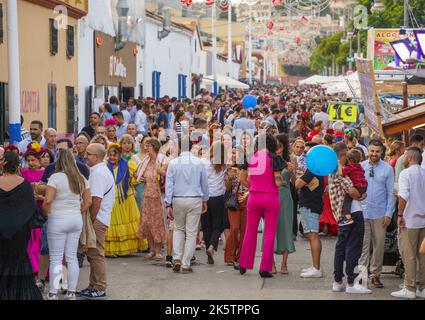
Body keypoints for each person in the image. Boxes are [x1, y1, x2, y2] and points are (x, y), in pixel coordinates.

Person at [42, 149, 92, 300]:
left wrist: (45, 212)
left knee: (56, 257)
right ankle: (71, 292)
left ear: (59, 161)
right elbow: (88, 201)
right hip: (75, 219)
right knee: (71, 257)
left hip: (57, 219)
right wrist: (77, 210)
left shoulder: (55, 177)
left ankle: (53, 293)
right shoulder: (81, 177)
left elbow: (48, 200)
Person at [238, 133, 284, 278]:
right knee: (269, 233)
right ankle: (265, 268)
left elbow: (242, 178)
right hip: (271, 197)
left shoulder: (250, 156)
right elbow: (278, 182)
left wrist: (253, 186)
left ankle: (244, 263)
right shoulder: (275, 159)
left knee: (250, 230)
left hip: (254, 196)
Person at [0, 150, 43, 300]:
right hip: (20, 230)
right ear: (17, 165)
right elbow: (31, 208)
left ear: (3, 164)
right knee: (19, 259)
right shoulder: (24, 184)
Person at [329, 142, 370, 294]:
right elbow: (353, 191)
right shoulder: (339, 170)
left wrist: (360, 194)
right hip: (352, 212)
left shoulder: (333, 169)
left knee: (341, 246)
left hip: (342, 214)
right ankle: (352, 283)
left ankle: (338, 281)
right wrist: (362, 195)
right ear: (343, 154)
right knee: (354, 246)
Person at [165, 137, 209, 273]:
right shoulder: (199, 163)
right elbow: (204, 184)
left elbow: (169, 185)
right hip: (194, 198)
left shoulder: (173, 163)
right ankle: (185, 263)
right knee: (191, 232)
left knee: (178, 229)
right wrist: (205, 200)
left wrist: (168, 203)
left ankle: (177, 258)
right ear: (191, 146)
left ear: (179, 146)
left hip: (178, 199)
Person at [78, 143, 115, 300]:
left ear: (97, 157)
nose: (85, 155)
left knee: (96, 253)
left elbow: (96, 201)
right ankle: (93, 286)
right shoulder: (97, 170)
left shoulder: (99, 173)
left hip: (97, 219)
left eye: (89, 153)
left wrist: (91, 222)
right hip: (98, 218)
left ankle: (99, 287)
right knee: (92, 254)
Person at [359, 139, 396, 289]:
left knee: (379, 246)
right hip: (362, 212)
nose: (374, 154)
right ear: (368, 151)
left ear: (382, 152)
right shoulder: (361, 167)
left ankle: (376, 275)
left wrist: (389, 214)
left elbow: (391, 193)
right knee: (363, 245)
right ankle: (361, 274)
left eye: (377, 151)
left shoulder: (387, 169)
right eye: (372, 151)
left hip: (380, 213)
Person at [391, 147, 425, 299]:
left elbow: (403, 197)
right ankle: (423, 287)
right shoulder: (424, 173)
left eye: (405, 155)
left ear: (410, 157)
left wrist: (399, 214)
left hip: (409, 219)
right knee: (422, 255)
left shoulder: (406, 173)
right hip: (422, 220)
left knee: (409, 254)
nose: (403, 158)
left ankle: (409, 287)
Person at [104, 144, 144, 257]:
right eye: (110, 155)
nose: (112, 157)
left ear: (120, 155)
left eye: (114, 155)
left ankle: (126, 249)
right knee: (112, 222)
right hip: (111, 199)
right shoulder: (105, 166)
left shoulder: (128, 165)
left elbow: (136, 179)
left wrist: (135, 181)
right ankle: (113, 250)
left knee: (127, 222)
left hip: (125, 199)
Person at [137, 138, 168, 261]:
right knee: (147, 223)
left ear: (154, 147)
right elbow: (137, 173)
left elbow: (166, 175)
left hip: (158, 196)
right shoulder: (145, 161)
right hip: (147, 196)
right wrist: (142, 178)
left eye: (148, 146)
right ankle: (151, 250)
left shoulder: (162, 160)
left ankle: (159, 250)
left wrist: (159, 168)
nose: (146, 148)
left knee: (158, 222)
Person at [295, 158, 325, 278]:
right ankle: (315, 266)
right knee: (313, 235)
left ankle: (316, 268)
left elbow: (298, 184)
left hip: (309, 205)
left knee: (312, 235)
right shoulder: (318, 171)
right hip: (313, 205)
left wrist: (299, 176)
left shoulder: (312, 171)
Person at [21, 142, 45, 277]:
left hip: (41, 210)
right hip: (29, 211)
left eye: (33, 160)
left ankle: (43, 270)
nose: (30, 163)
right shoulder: (23, 173)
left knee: (42, 242)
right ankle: (33, 268)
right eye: (28, 160)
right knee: (31, 243)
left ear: (39, 160)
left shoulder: (44, 173)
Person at [201, 141, 228, 265]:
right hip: (218, 197)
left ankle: (208, 249)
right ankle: (212, 246)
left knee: (206, 226)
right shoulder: (224, 165)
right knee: (218, 226)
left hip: (205, 197)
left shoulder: (204, 163)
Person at [273, 133, 296, 274]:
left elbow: (295, 182)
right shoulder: (270, 159)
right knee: (271, 229)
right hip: (272, 195)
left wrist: (292, 172)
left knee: (286, 228)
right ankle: (272, 264)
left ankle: (284, 264)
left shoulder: (291, 159)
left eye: (279, 145)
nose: (277, 148)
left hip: (286, 197)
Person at [224, 148, 248, 268]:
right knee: (234, 228)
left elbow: (252, 184)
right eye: (232, 153)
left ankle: (240, 257)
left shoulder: (249, 167)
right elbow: (227, 188)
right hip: (234, 201)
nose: (233, 155)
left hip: (247, 200)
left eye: (236, 153)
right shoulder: (228, 169)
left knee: (244, 230)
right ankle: (229, 256)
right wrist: (229, 178)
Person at [338, 149, 368, 227]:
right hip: (363, 187)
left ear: (349, 159)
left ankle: (347, 218)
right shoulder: (360, 166)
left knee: (347, 200)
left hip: (357, 186)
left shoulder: (349, 167)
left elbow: (341, 173)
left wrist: (339, 165)